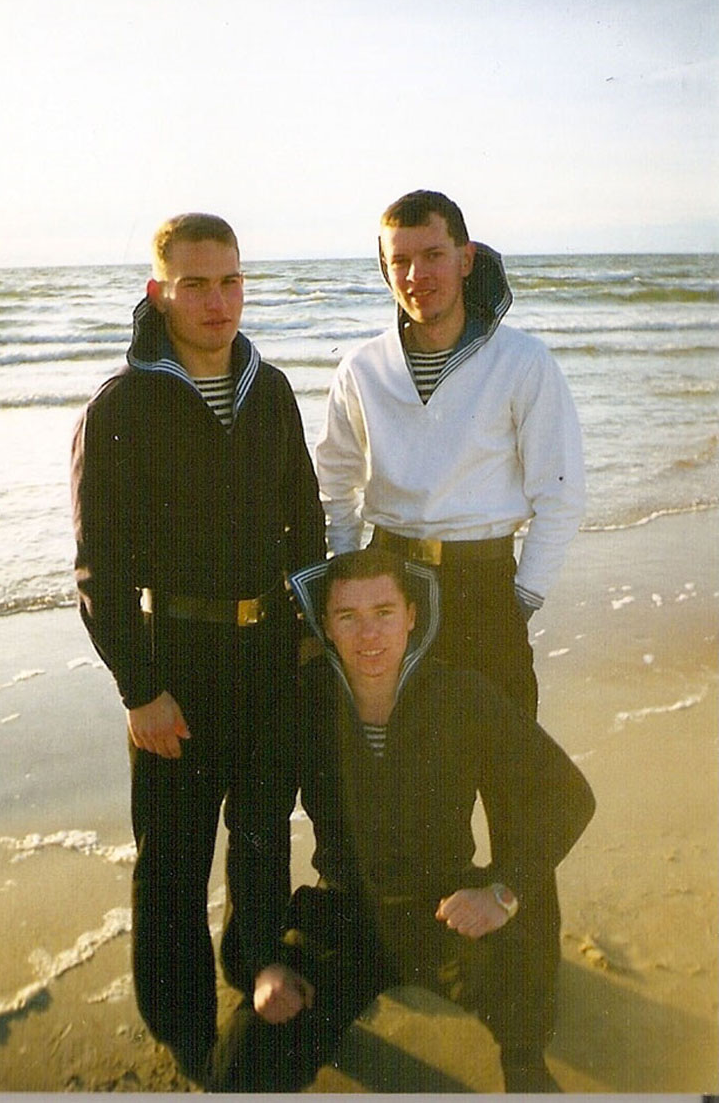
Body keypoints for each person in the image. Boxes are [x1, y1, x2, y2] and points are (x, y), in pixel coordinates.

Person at [70, 212, 326, 1082]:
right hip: (176, 659)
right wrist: (140, 689)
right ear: (158, 292)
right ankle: (179, 1021)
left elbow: (308, 523)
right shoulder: (123, 404)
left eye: (230, 280)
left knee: (261, 833)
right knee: (173, 857)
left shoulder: (274, 388)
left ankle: (252, 965)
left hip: (271, 656)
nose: (217, 301)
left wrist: (309, 637)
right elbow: (98, 567)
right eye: (196, 283)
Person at [206, 549, 595, 1094]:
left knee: (525, 933)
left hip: (446, 905)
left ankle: (524, 1062)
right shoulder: (301, 701)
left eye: (384, 613)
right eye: (349, 618)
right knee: (238, 1070)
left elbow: (568, 795)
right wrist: (265, 962)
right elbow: (255, 832)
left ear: (412, 615)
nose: (369, 635)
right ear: (326, 625)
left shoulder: (463, 693)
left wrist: (503, 890)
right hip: (344, 912)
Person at [315, 188, 586, 717]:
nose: (417, 275)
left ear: (466, 260)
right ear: (385, 269)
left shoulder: (522, 361)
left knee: (507, 774)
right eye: (401, 261)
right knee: (411, 783)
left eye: (433, 255)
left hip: (483, 583)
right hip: (386, 579)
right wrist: (347, 586)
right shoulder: (362, 368)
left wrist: (523, 598)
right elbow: (336, 485)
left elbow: (561, 493)